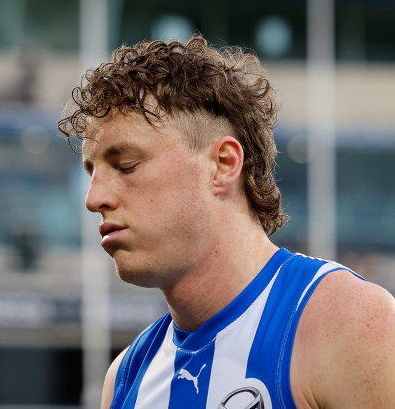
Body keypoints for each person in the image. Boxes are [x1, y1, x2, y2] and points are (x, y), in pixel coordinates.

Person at [57, 35, 395, 409]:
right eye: (92, 172)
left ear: (223, 165)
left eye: (126, 166)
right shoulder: (126, 378)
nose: (93, 199)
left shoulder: (349, 324)